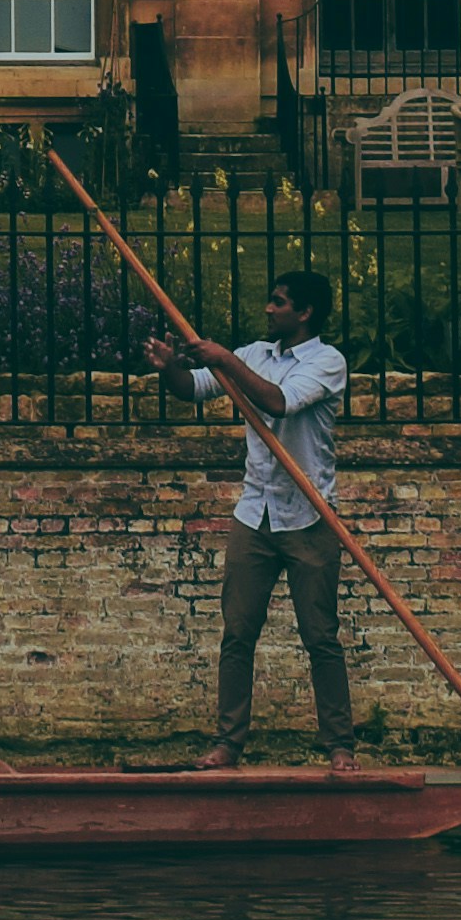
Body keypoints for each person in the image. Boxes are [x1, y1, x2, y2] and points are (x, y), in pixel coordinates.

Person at [139, 267, 356, 771]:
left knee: (320, 636)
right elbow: (191, 390)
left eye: (279, 302)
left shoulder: (327, 362)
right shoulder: (255, 354)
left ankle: (340, 746)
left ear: (304, 313)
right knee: (238, 633)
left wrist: (224, 360)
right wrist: (169, 366)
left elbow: (276, 403)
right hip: (254, 515)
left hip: (309, 517)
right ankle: (228, 744)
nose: (269, 309)